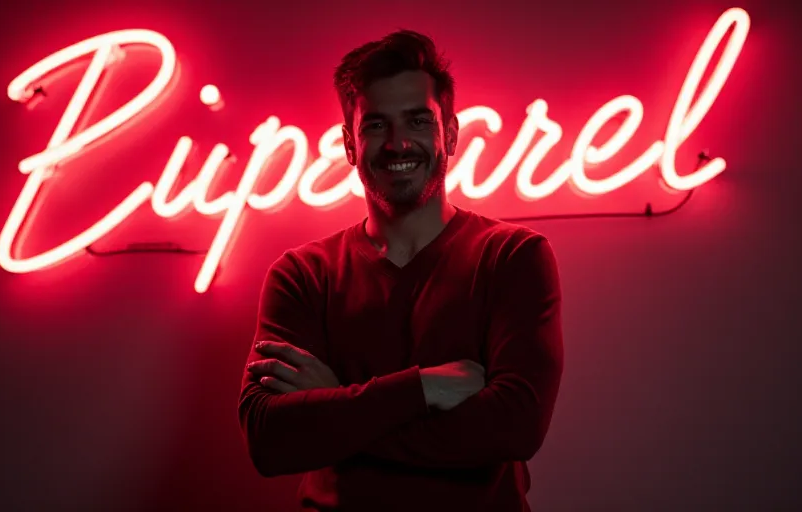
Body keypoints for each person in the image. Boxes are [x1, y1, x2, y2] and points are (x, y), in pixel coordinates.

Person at [238, 29, 564, 511]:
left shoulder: (513, 258)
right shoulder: (302, 275)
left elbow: (514, 428)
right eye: (375, 126)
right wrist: (424, 387)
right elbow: (270, 440)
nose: (397, 144)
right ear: (350, 145)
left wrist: (336, 404)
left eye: (416, 120)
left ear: (449, 134)